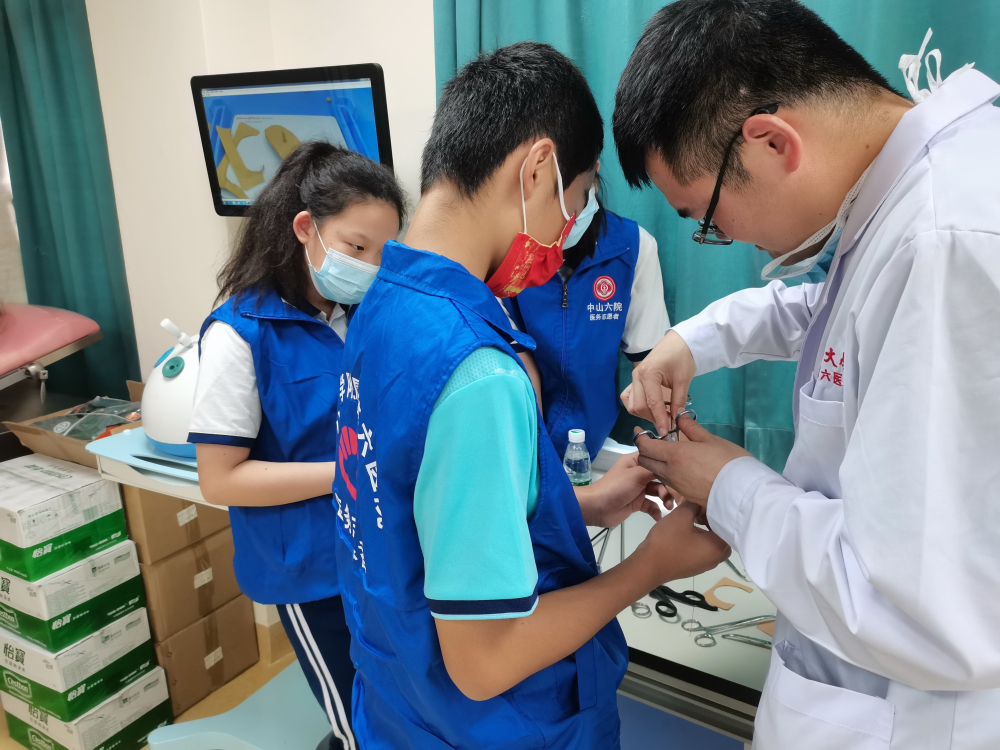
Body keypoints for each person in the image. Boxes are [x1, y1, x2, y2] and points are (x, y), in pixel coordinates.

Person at [613, 1, 1000, 748]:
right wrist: (691, 341)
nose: (723, 238)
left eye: (707, 218)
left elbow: (910, 610)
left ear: (771, 143)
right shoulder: (912, 200)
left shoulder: (946, 241)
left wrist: (727, 485)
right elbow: (836, 310)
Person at [332, 42, 730, 749]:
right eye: (575, 200)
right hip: (497, 725)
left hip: (403, 706)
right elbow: (485, 662)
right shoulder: (479, 371)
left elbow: (419, 506)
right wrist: (651, 566)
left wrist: (580, 505)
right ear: (538, 169)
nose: (563, 234)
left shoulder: (383, 301)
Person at [189, 141, 405, 750]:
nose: (369, 267)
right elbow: (220, 478)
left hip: (375, 549)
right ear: (305, 228)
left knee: (396, 698)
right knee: (355, 716)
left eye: (383, 253)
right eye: (356, 248)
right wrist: (347, 472)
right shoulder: (240, 334)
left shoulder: (359, 314)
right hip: (308, 567)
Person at [501, 173, 671, 460]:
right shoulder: (506, 251)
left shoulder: (633, 246)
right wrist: (538, 466)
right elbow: (522, 372)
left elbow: (652, 366)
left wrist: (670, 446)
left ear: (593, 169)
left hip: (593, 440)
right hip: (523, 438)